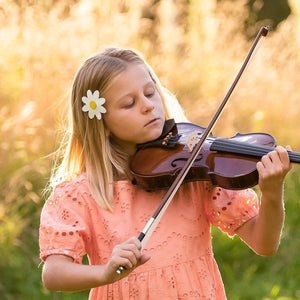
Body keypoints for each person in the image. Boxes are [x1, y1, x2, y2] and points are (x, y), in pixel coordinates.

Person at [39, 47, 292, 299]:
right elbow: (54, 273)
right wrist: (104, 273)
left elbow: (264, 244)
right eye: (129, 103)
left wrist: (271, 192)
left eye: (150, 93)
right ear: (100, 123)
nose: (148, 106)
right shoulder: (81, 194)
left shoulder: (193, 174)